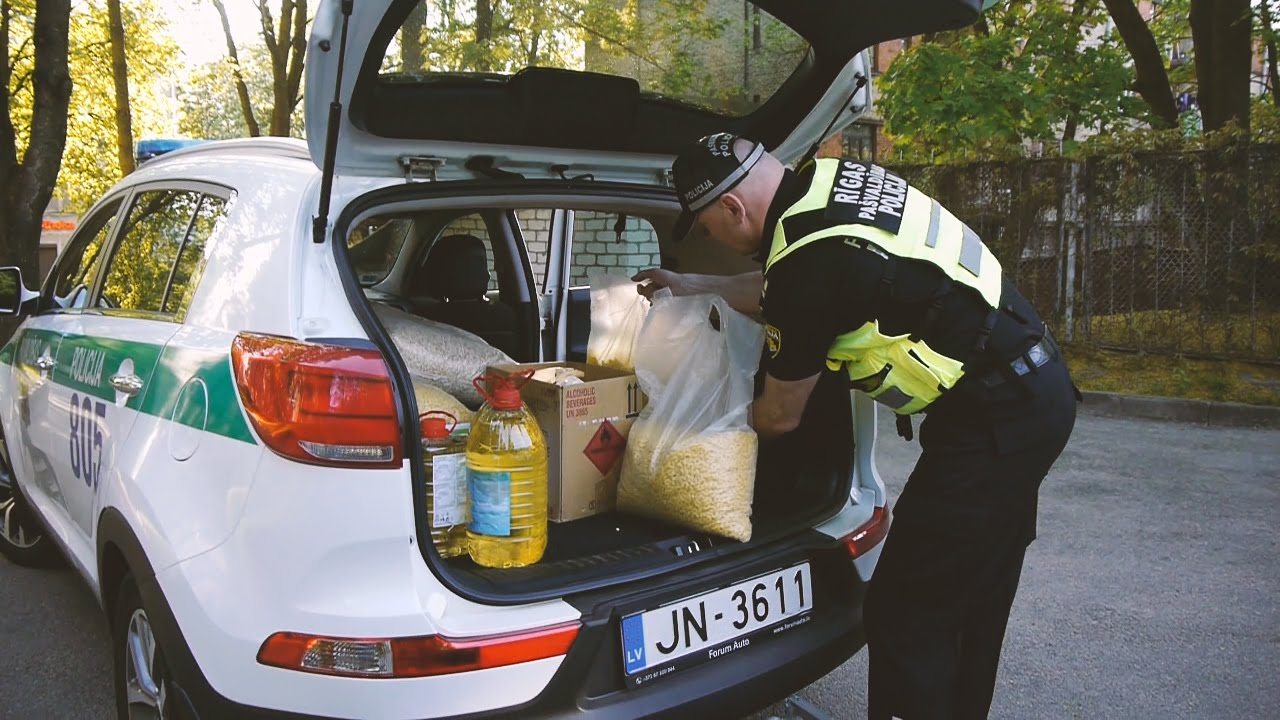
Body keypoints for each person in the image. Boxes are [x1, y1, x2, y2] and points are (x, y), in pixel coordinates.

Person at [634, 132, 1079, 720]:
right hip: (1028, 390)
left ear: (734, 208)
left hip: (996, 419)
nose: (713, 241)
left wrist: (683, 430)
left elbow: (778, 415)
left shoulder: (806, 262)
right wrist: (694, 285)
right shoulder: (829, 186)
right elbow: (787, 288)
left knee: (906, 609)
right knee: (971, 594)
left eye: (709, 229)